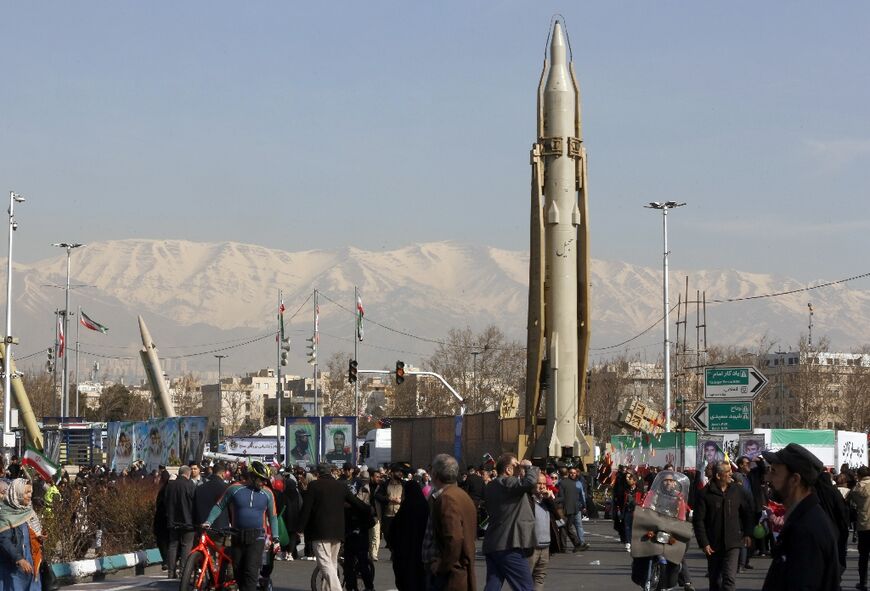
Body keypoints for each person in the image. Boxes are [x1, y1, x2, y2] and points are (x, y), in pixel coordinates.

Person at [761, 443, 840, 591]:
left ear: (794, 480)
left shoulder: (806, 529)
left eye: (774, 471)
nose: (768, 477)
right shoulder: (801, 518)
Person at [204, 461, 281, 591]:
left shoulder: (267, 493)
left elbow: (273, 517)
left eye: (265, 480)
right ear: (252, 476)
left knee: (250, 573)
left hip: (257, 538)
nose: (264, 482)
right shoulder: (234, 489)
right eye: (261, 479)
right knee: (239, 574)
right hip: (237, 536)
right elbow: (219, 506)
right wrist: (208, 522)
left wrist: (276, 538)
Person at [297, 463, 370, 591]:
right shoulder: (340, 486)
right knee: (332, 562)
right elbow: (355, 502)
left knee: (324, 564)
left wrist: (299, 528)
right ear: (331, 472)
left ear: (317, 474)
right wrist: (368, 509)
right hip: (338, 531)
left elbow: (306, 509)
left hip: (320, 530)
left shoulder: (314, 486)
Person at [692, 461, 753, 591]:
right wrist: (704, 543)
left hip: (733, 542)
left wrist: (747, 533)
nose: (731, 473)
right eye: (727, 472)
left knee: (729, 579)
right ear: (719, 476)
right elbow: (698, 521)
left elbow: (747, 512)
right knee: (715, 580)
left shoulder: (737, 490)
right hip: (713, 544)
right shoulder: (704, 494)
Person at [482, 453, 539, 591]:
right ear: (508, 470)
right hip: (509, 545)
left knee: (493, 584)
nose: (519, 467)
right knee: (525, 587)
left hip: (493, 543)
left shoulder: (491, 486)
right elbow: (530, 482)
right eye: (516, 465)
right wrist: (529, 467)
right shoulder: (507, 482)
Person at [424, 453, 477, 591]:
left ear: (435, 474)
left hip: (451, 575)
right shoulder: (460, 495)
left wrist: (442, 565)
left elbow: (454, 538)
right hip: (457, 571)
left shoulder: (447, 498)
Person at [0, 479, 41, 591]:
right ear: (17, 493)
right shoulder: (6, 514)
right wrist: (19, 559)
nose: (29, 496)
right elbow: (4, 540)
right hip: (14, 567)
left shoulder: (28, 512)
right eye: (26, 493)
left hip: (32, 564)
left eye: (30, 493)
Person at [388, 479, 428, 590]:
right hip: (421, 552)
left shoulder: (405, 508)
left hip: (404, 553)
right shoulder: (425, 506)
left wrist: (393, 548)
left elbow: (393, 531)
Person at [165, 465, 196, 579]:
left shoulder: (170, 486)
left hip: (172, 521)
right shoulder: (190, 485)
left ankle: (171, 572)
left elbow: (166, 502)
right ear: (188, 474)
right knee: (186, 546)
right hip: (188, 522)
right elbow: (194, 503)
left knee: (173, 546)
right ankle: (183, 572)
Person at [529, 471, 557, 591]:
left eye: (544, 484)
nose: (542, 486)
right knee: (525, 579)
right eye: (538, 483)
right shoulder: (528, 500)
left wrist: (550, 500)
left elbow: (560, 519)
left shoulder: (546, 500)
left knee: (540, 578)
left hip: (545, 546)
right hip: (531, 546)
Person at [847, 465, 870, 591]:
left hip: (864, 524)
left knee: (864, 555)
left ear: (859, 476)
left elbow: (849, 500)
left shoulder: (857, 488)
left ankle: (863, 582)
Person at [555, 466, 588, 552]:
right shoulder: (575, 483)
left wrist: (553, 500)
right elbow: (581, 495)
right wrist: (584, 506)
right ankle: (577, 544)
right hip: (574, 508)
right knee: (568, 527)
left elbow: (562, 497)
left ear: (559, 474)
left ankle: (565, 547)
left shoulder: (561, 483)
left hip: (565, 509)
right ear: (567, 473)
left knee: (564, 527)